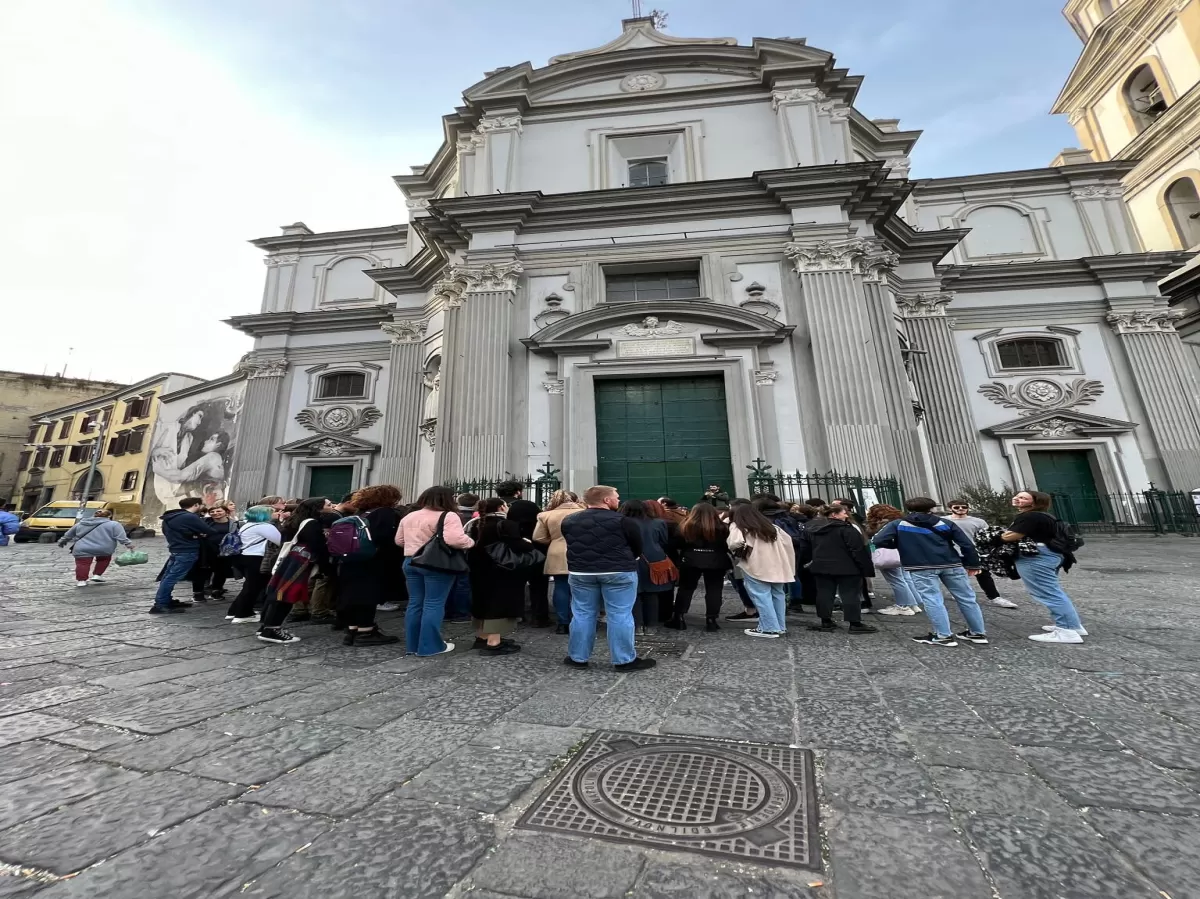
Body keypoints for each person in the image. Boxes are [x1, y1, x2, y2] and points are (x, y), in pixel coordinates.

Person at [560, 485, 655, 671]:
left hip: (581, 572)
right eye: (616, 497)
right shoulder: (624, 521)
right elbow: (637, 546)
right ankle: (624, 660)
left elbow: (570, 541)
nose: (618, 500)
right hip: (618, 571)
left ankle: (578, 657)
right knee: (619, 614)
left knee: (582, 613)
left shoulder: (569, 520)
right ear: (606, 500)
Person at [872, 497, 988, 648]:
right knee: (967, 597)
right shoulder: (945, 523)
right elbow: (966, 544)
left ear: (908, 508)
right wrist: (973, 563)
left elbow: (878, 540)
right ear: (932, 508)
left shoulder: (899, 524)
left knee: (932, 599)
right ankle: (978, 633)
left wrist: (900, 544)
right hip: (951, 563)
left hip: (920, 566)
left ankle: (943, 635)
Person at [397, 486, 474, 657]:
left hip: (410, 560)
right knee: (434, 603)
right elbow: (454, 539)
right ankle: (429, 646)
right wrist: (470, 542)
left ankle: (413, 645)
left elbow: (399, 540)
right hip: (435, 563)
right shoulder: (448, 515)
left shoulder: (409, 515)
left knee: (415, 603)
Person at [1003, 490, 1087, 644]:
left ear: (1035, 502)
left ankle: (1067, 632)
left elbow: (1012, 535)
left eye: (1023, 498)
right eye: (1017, 496)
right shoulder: (1045, 516)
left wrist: (1000, 535)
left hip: (1035, 556)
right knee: (1052, 590)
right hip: (1051, 554)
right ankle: (1073, 625)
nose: (1017, 498)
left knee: (1048, 593)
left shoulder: (1030, 516)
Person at [336, 485, 404, 646]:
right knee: (367, 596)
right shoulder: (384, 513)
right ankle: (366, 631)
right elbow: (385, 538)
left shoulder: (360, 512)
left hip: (350, 560)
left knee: (352, 595)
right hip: (372, 561)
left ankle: (352, 630)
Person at [468, 497, 536, 655]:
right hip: (500, 569)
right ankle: (494, 642)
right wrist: (527, 542)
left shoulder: (477, 523)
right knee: (499, 602)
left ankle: (482, 636)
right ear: (501, 507)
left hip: (478, 567)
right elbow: (517, 544)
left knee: (481, 600)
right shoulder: (506, 524)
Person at [258, 497, 329, 644]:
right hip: (301, 561)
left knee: (278, 592)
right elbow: (317, 545)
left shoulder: (295, 520)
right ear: (318, 508)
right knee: (285, 594)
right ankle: (272, 629)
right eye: (328, 504)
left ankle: (267, 626)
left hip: (291, 559)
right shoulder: (312, 523)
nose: (331, 506)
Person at [800, 504, 878, 634]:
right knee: (850, 594)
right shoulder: (847, 529)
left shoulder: (812, 529)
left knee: (824, 593)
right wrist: (866, 568)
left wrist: (807, 563)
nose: (846, 515)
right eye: (843, 513)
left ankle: (826, 621)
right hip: (847, 567)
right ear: (834, 514)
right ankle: (854, 623)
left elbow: (806, 548)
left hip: (821, 566)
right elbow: (857, 550)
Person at [726, 502, 796, 638]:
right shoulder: (772, 527)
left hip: (756, 564)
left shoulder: (740, 527)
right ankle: (780, 626)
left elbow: (735, 543)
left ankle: (769, 628)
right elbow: (788, 542)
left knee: (761, 595)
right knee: (777, 594)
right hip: (778, 564)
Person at [668, 502, 731, 632]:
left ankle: (679, 617)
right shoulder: (722, 527)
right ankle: (711, 620)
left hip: (691, 560)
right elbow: (726, 546)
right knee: (714, 589)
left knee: (686, 588)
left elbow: (677, 544)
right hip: (716, 560)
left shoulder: (685, 526)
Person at [944, 499, 1018, 609]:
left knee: (983, 575)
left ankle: (995, 597)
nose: (961, 509)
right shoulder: (943, 521)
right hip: (952, 552)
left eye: (964, 507)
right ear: (950, 508)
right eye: (957, 507)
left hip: (975, 552)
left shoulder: (979, 521)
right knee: (957, 575)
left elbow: (986, 537)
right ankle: (961, 595)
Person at [497, 480, 550, 628]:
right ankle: (539, 617)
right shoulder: (527, 505)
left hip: (506, 550)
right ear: (518, 492)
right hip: (533, 549)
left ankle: (515, 615)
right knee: (538, 585)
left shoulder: (495, 505)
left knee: (512, 585)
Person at [620, 499, 677, 636]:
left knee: (635, 593)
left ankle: (638, 625)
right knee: (652, 593)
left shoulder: (622, 523)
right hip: (654, 560)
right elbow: (663, 541)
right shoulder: (658, 523)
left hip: (631, 558)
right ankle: (652, 625)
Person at [532, 490, 585, 634]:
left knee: (561, 586)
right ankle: (581, 621)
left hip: (557, 552)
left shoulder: (546, 515)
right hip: (583, 551)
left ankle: (563, 623)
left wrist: (555, 540)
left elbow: (538, 537)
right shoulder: (585, 512)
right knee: (582, 588)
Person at [151, 497, 215, 614]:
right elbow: (209, 530)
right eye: (201, 505)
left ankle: (165, 599)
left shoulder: (169, 517)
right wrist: (198, 534)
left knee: (168, 576)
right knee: (172, 578)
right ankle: (161, 604)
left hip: (176, 549)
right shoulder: (190, 517)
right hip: (187, 550)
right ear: (196, 505)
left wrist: (193, 534)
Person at [225, 505, 281, 623]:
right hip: (256, 558)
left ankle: (234, 611)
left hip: (244, 557)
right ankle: (242, 614)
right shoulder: (265, 526)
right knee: (253, 587)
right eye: (273, 512)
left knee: (249, 586)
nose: (276, 514)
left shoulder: (248, 525)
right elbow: (280, 541)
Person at [866, 504, 922, 617]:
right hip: (901, 551)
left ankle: (903, 606)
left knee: (896, 580)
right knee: (905, 578)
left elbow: (875, 536)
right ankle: (913, 604)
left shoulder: (882, 523)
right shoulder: (900, 521)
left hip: (887, 553)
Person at [58, 509, 133, 586]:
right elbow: (121, 536)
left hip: (82, 547)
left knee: (82, 564)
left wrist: (62, 542)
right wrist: (128, 544)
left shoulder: (81, 523)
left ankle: (81, 581)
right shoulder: (114, 524)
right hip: (104, 548)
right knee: (104, 559)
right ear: (109, 516)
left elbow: (68, 535)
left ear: (94, 514)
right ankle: (97, 575)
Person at [447, 493, 481, 621]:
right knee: (463, 583)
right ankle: (461, 612)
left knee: (450, 582)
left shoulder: (451, 515)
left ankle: (449, 610)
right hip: (466, 552)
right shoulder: (475, 518)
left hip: (450, 553)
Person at [190, 504, 233, 602]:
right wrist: (199, 534)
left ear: (226, 512)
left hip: (224, 552)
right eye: (212, 512)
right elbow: (194, 532)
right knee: (201, 572)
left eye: (219, 511)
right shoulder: (205, 522)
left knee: (221, 572)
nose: (215, 513)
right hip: (205, 551)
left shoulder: (234, 524)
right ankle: (198, 594)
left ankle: (216, 592)